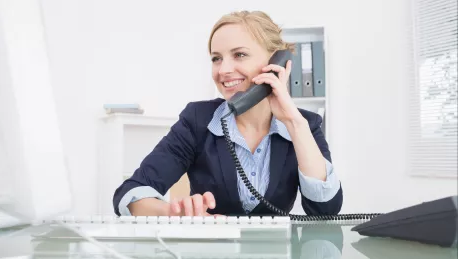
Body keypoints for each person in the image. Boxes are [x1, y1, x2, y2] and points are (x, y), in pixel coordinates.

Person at [112, 10, 343, 217]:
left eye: (240, 55)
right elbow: (131, 194)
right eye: (216, 58)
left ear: (277, 61)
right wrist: (175, 214)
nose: (223, 70)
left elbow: (326, 210)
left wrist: (293, 122)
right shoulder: (197, 120)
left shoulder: (305, 125)